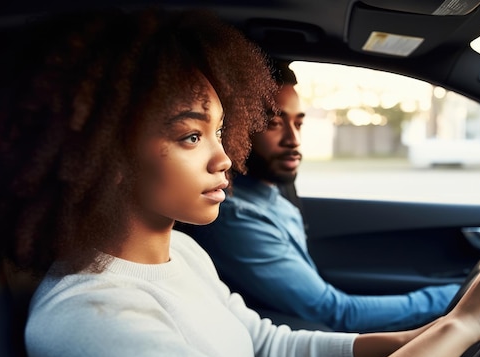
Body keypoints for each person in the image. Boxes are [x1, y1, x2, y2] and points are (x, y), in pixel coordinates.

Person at [0, 8, 480, 357]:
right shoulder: (90, 317)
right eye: (192, 137)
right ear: (103, 153)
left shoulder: (179, 251)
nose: (225, 159)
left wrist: (428, 338)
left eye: (221, 131)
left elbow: (269, 347)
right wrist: (459, 326)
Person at [189, 61, 461, 332]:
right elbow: (336, 313)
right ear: (235, 131)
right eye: (274, 124)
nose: (293, 139)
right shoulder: (236, 216)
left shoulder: (270, 197)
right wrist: (455, 296)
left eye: (298, 123)